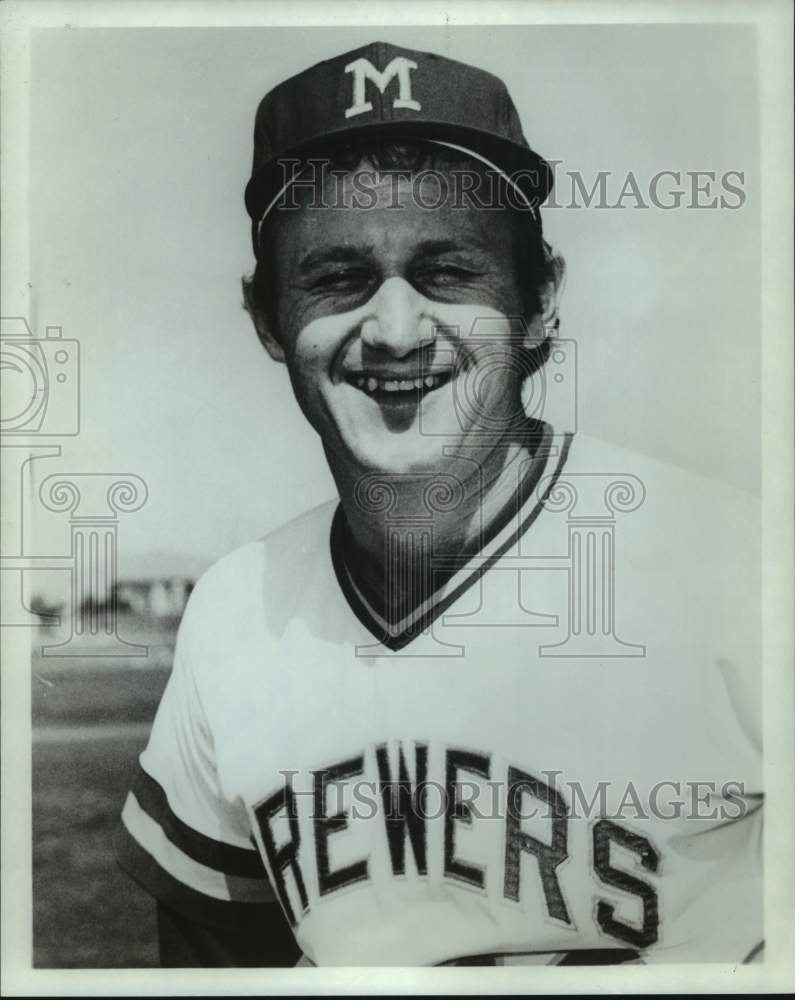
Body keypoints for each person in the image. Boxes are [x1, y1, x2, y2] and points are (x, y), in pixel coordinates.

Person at [116, 41, 763, 967]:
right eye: (337, 278)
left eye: (447, 272)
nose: (392, 329)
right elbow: (213, 970)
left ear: (540, 301)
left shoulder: (737, 565)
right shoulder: (233, 611)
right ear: (266, 317)